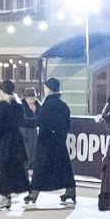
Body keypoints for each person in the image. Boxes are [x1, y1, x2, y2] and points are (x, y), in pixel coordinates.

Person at [0, 79, 34, 211]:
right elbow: (23, 122)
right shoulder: (18, 105)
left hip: (4, 142)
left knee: (3, 170)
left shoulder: (1, 106)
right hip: (17, 141)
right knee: (16, 168)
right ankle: (26, 189)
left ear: (2, 92)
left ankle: (5, 198)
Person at [30, 77, 76, 209]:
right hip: (59, 141)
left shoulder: (47, 104)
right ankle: (70, 191)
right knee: (64, 167)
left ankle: (33, 194)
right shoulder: (63, 105)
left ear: (49, 89)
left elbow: (41, 121)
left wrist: (30, 119)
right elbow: (67, 125)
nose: (44, 89)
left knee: (40, 168)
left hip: (46, 141)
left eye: (45, 87)